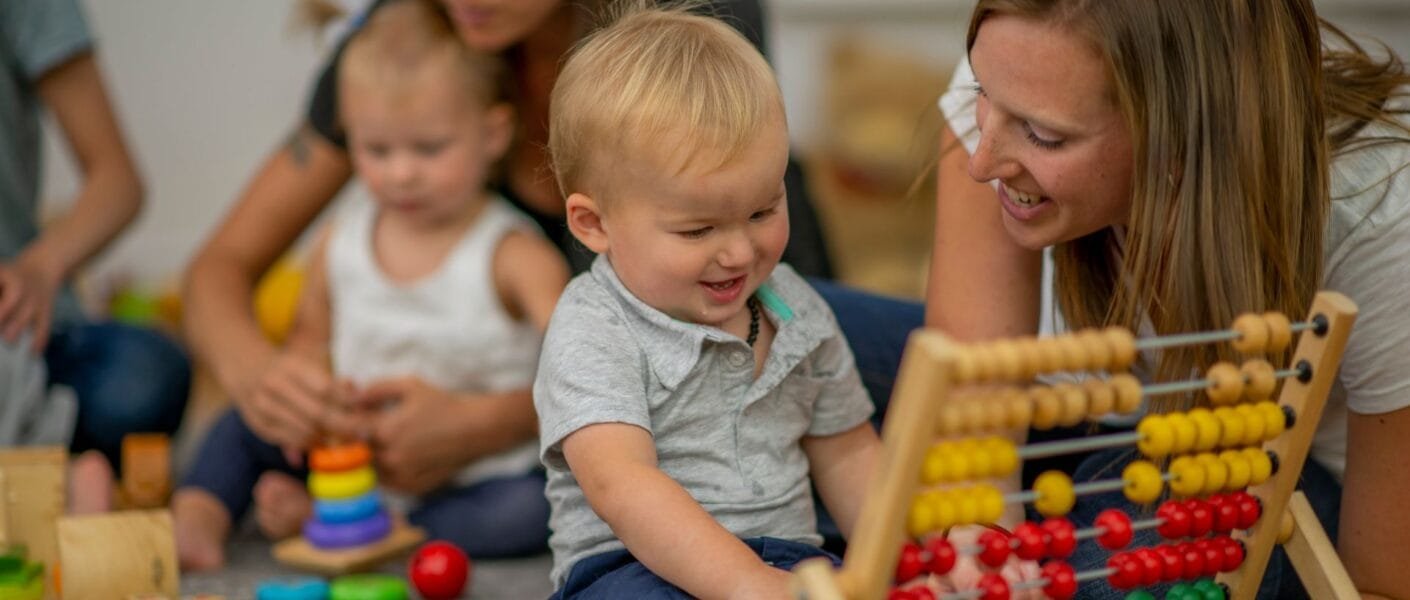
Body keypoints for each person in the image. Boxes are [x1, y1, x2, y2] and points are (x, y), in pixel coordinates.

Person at [180, 0, 832, 518]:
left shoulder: (686, 25)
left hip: (723, 345)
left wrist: (487, 422)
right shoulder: (401, 43)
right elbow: (218, 268)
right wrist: (265, 379)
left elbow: (708, 360)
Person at [926, 1, 1410, 598]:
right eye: (981, 91)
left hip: (1275, 468)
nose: (982, 160)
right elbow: (974, 408)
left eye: (1044, 136)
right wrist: (979, 538)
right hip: (1057, 399)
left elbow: (1383, 583)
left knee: (1113, 574)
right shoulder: (1026, 68)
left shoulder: (1384, 218)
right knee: (799, 355)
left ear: (1183, 135)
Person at [170, 0, 570, 571]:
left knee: (529, 508)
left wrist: (483, 420)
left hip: (478, 471)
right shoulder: (343, 240)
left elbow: (575, 359)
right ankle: (198, 515)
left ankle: (386, 528)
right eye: (377, 150)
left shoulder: (512, 251)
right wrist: (303, 395)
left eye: (429, 149)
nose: (401, 172)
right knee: (238, 426)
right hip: (354, 452)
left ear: (493, 134)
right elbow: (311, 338)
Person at [535, 7, 880, 599]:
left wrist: (909, 559)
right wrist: (747, 585)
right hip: (632, 567)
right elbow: (623, 484)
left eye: (762, 211)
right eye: (697, 231)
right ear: (594, 224)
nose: (740, 252)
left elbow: (850, 457)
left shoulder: (797, 311)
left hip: (790, 563)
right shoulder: (593, 325)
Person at [0, 0, 190, 497]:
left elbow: (119, 182)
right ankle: (51, 474)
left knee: (146, 375)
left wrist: (40, 268)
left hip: (22, 332)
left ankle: (50, 472)